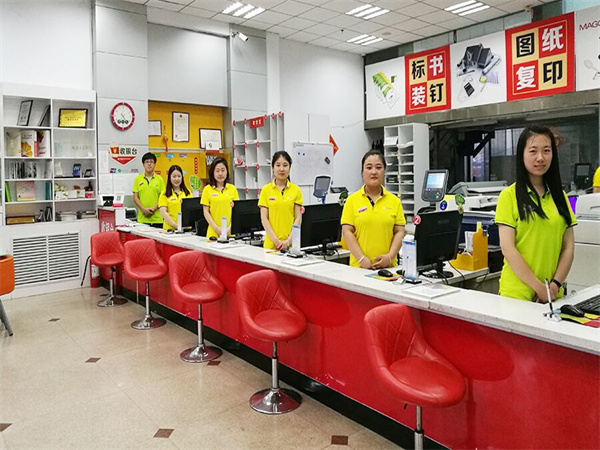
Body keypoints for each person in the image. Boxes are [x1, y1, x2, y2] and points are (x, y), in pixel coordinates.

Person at [496, 126, 577, 303]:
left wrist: (554, 286)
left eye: (546, 151)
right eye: (533, 151)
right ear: (522, 154)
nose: (540, 158)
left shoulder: (560, 197)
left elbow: (568, 248)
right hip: (516, 296)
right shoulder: (508, 196)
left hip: (553, 296)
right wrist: (540, 288)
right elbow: (508, 248)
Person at [341, 149, 406, 269]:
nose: (374, 172)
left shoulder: (394, 201)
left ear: (384, 171)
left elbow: (400, 232)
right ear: (362, 171)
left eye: (378, 167)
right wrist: (361, 259)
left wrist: (390, 257)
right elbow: (347, 232)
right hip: (359, 269)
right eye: (369, 167)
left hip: (389, 268)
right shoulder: (352, 201)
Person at [258, 151, 303, 250]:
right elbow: (264, 218)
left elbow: (298, 218)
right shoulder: (266, 190)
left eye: (285, 165)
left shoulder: (296, 190)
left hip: (290, 246)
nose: (281, 169)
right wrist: (276, 241)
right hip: (271, 245)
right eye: (278, 165)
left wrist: (288, 241)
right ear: (273, 167)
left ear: (289, 167)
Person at [201, 157, 239, 239]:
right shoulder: (207, 189)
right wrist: (217, 229)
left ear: (227, 172)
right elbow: (206, 212)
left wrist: (229, 229)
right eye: (217, 171)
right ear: (213, 172)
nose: (220, 173)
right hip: (213, 233)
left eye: (223, 170)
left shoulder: (232, 189)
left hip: (230, 233)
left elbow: (237, 212)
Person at [132, 152, 165, 228]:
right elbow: (135, 197)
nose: (149, 164)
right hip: (142, 219)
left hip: (157, 220)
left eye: (151, 162)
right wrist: (144, 210)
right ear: (143, 164)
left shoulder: (160, 179)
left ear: (155, 164)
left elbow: (162, 197)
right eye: (147, 162)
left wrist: (153, 209)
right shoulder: (138, 179)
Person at [158, 165, 192, 231]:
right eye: (174, 176)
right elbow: (163, 212)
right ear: (169, 178)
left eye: (179, 176)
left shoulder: (188, 193)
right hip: (170, 230)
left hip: (186, 230)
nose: (177, 179)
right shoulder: (164, 194)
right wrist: (176, 226)